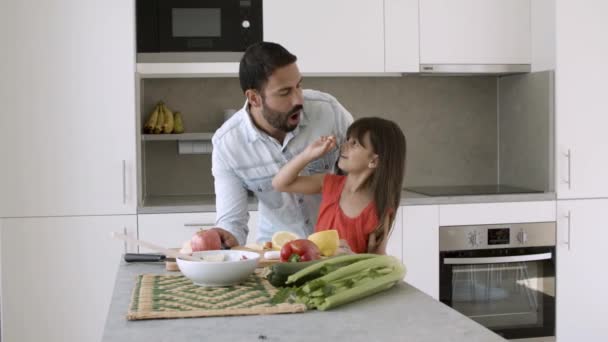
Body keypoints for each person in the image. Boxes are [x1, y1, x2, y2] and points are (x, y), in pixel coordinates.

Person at [210, 42, 353, 247]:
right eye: (285, 92)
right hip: (277, 252)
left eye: (299, 86)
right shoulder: (228, 145)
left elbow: (365, 172)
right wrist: (223, 237)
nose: (298, 99)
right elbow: (232, 223)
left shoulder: (328, 111)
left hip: (337, 246)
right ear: (254, 98)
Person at [272, 117, 407, 254]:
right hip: (317, 273)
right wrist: (308, 154)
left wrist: (352, 257)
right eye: (347, 140)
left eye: (354, 143)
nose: (344, 146)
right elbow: (280, 183)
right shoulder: (329, 184)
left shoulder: (380, 208)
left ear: (373, 160)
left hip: (352, 276)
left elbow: (379, 262)